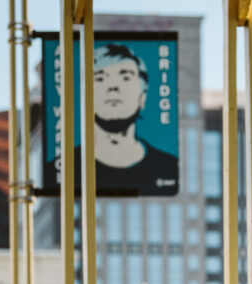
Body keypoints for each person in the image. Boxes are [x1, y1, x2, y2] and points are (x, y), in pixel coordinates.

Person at [45, 42, 178, 196]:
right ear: (84, 97)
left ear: (142, 96)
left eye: (125, 77)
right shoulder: (60, 171)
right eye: (100, 78)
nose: (113, 87)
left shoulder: (168, 167)